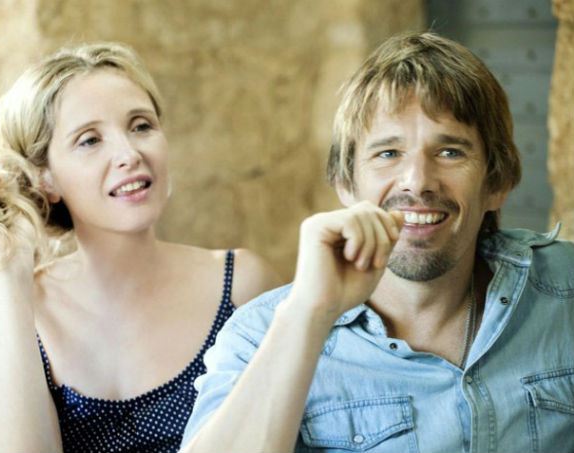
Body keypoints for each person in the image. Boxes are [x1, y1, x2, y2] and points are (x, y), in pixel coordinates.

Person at [180, 32, 574, 453]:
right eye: (388, 153)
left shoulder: (566, 290)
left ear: (497, 183)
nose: (417, 182)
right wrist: (309, 314)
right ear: (345, 184)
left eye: (449, 152)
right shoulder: (259, 335)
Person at [0, 42, 281, 453]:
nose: (129, 153)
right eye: (89, 140)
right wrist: (9, 269)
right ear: (44, 179)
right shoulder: (0, 309)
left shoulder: (243, 285)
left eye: (141, 126)